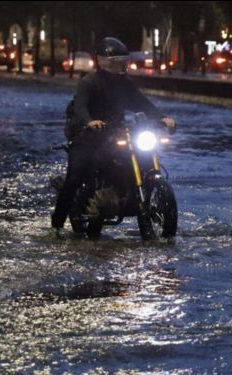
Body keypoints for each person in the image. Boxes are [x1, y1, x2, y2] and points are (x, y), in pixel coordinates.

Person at [51, 37, 175, 233]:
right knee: (75, 177)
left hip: (115, 131)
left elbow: (142, 103)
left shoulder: (125, 83)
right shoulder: (88, 82)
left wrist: (162, 118)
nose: (120, 66)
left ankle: (131, 196)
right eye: (116, 62)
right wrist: (89, 122)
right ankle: (57, 224)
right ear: (103, 61)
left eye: (122, 61)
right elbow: (81, 108)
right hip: (87, 135)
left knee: (136, 156)